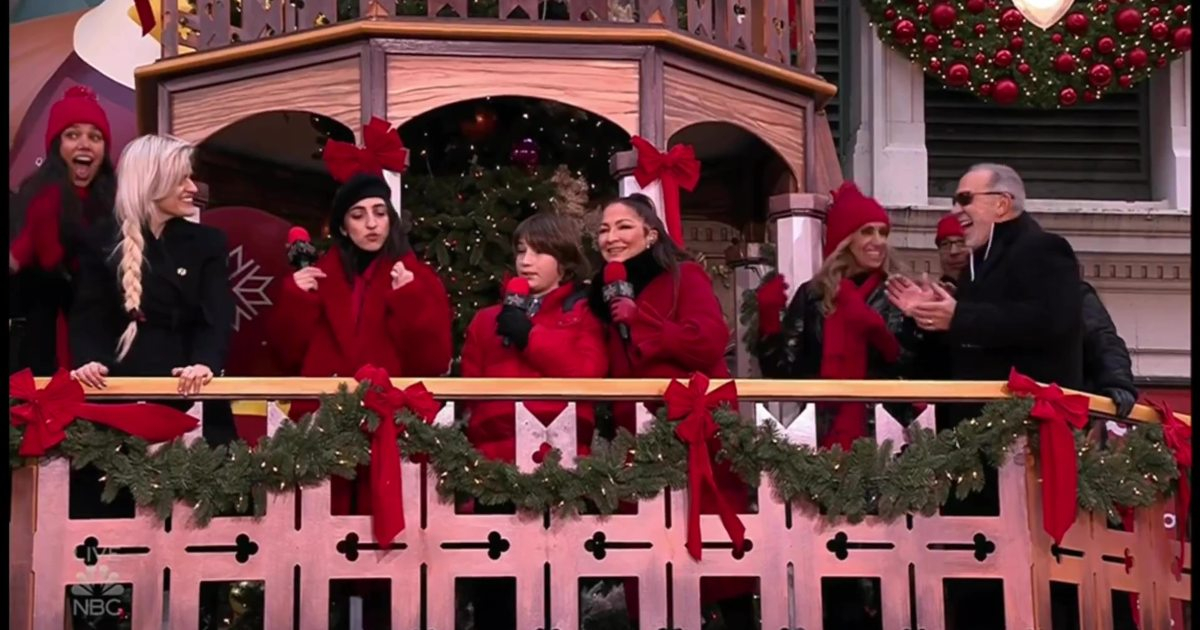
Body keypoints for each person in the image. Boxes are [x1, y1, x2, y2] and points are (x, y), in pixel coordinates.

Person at [586, 193, 753, 625]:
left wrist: (641, 320)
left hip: (697, 431)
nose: (611, 236)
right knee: (649, 557)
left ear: (651, 233)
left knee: (716, 554)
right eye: (603, 229)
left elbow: (708, 341)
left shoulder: (685, 276)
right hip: (636, 441)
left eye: (623, 226)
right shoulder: (601, 294)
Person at [267, 171, 453, 516]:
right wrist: (296, 299)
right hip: (322, 426)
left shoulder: (417, 278)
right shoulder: (315, 279)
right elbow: (286, 357)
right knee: (318, 526)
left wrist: (410, 298)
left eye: (380, 213)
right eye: (358, 215)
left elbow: (434, 361)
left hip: (393, 426)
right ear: (341, 227)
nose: (372, 224)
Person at [68, 134, 235, 515]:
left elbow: (218, 317)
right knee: (112, 515)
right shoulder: (98, 240)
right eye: (182, 179)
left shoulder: (208, 242)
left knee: (201, 516)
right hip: (121, 400)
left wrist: (205, 364)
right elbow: (88, 316)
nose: (193, 188)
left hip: (191, 394)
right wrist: (90, 360)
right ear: (151, 180)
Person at [755, 181, 921, 449]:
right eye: (867, 232)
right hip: (823, 432)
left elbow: (913, 367)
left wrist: (877, 332)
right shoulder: (813, 295)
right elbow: (783, 372)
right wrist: (769, 319)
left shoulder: (898, 291)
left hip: (887, 434)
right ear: (846, 240)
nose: (878, 242)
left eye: (883, 232)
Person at [932, 212, 1137, 418]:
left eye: (962, 242)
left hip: (1047, 419)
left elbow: (1101, 338)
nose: (954, 252)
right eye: (945, 244)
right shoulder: (945, 302)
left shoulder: (1061, 292)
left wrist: (1116, 382)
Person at [461, 213, 607, 465]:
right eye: (521, 251)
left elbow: (589, 371)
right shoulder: (486, 320)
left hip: (564, 457)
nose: (526, 261)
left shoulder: (584, 313)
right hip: (493, 461)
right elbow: (471, 394)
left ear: (563, 260)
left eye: (538, 252)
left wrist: (528, 336)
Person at [10, 86, 117, 375]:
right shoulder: (30, 200)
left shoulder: (117, 205)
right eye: (72, 135)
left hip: (102, 352)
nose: (85, 144)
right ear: (56, 145)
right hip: (37, 350)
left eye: (95, 137)